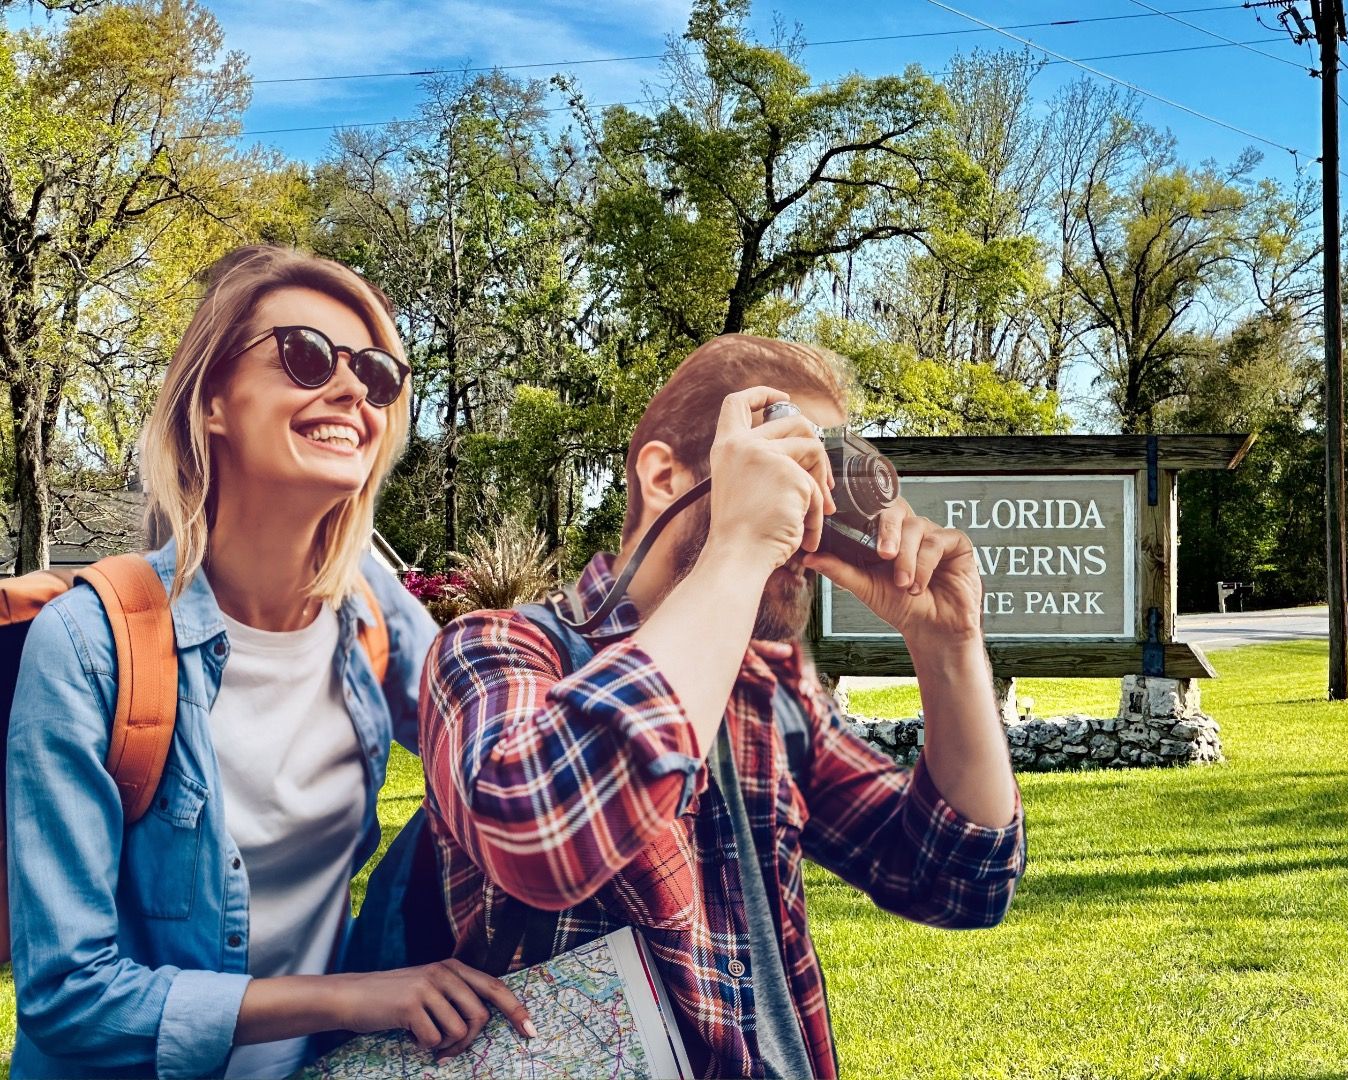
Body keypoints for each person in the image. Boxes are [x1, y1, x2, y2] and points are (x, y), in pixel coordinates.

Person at [420, 333, 1026, 1079]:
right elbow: (539, 836)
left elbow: (960, 880)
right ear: (664, 475)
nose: (809, 513)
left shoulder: (767, 692)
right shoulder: (498, 649)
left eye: (824, 475)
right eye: (787, 466)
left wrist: (948, 646)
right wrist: (739, 545)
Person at [7, 245, 531, 1079]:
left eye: (377, 374)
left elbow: (516, 766)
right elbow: (69, 995)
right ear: (212, 400)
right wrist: (367, 998)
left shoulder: (372, 609)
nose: (353, 390)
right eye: (306, 357)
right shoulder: (86, 646)